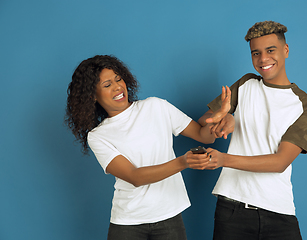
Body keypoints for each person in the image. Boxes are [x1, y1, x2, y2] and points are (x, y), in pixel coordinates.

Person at [65, 55, 230, 240]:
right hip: (128, 224)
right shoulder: (98, 136)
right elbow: (135, 177)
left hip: (169, 216)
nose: (118, 87)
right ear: (92, 96)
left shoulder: (156, 106)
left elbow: (203, 135)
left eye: (118, 79)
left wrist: (217, 120)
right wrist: (183, 162)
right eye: (107, 85)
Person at [198, 21, 307, 240]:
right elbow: (204, 127)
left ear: (286, 50)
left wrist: (224, 159)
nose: (263, 59)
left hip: (278, 212)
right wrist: (219, 118)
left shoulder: (305, 105)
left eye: (270, 50)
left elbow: (279, 162)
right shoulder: (245, 84)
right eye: (256, 53)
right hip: (231, 209)